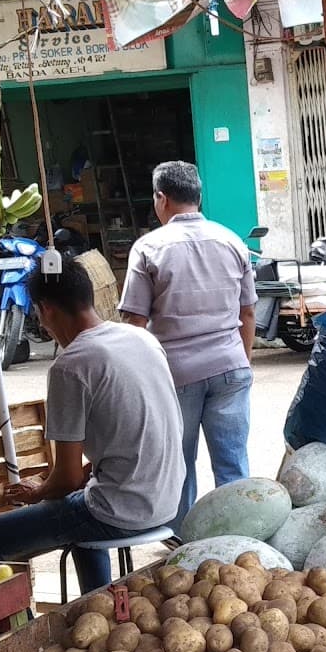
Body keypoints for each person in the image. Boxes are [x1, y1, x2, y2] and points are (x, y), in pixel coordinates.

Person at [0, 257, 184, 593]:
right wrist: (64, 486)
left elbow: (67, 479)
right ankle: (97, 601)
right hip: (167, 501)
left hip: (120, 512)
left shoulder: (72, 365)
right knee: (76, 507)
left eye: (38, 316)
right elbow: (130, 440)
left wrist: (38, 492)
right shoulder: (140, 338)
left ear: (46, 310)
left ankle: (22, 628)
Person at [120, 161, 257, 529]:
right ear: (198, 196)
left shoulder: (148, 248)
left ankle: (180, 546)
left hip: (175, 374)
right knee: (232, 465)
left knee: (178, 465)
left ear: (161, 198)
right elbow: (247, 315)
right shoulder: (232, 241)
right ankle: (239, 539)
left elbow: (134, 323)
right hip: (231, 367)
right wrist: (239, 364)